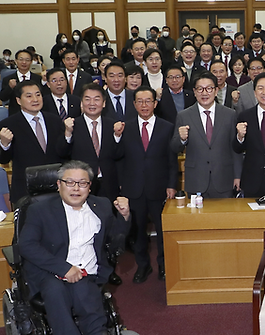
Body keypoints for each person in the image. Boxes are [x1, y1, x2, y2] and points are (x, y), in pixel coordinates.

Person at [18, 160, 131, 335]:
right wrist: (64, 269)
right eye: (69, 182)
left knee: (88, 301)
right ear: (58, 185)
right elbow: (26, 245)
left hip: (87, 272)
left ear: (90, 186)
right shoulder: (39, 210)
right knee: (56, 293)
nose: (76, 188)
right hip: (50, 272)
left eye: (82, 183)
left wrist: (124, 217)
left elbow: (115, 241)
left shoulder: (101, 206)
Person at [120, 86, 177, 283]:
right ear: (134, 104)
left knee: (162, 231)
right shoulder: (125, 128)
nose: (144, 105)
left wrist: (172, 185)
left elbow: (172, 160)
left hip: (159, 188)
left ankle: (163, 265)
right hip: (133, 189)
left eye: (148, 101)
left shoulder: (167, 127)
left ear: (155, 103)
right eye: (140, 101)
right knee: (138, 231)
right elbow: (120, 159)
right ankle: (143, 266)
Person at [172, 72, 242, 198]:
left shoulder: (229, 114)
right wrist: (182, 139)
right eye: (200, 89)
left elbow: (235, 148)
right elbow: (174, 147)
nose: (204, 93)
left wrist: (237, 176)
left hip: (224, 179)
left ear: (216, 91)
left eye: (209, 88)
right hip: (196, 180)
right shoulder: (184, 115)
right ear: (194, 91)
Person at [0, 81, 64, 204]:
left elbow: (62, 152)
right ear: (18, 101)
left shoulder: (55, 120)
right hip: (25, 191)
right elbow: (4, 160)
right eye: (29, 96)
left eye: (38, 95)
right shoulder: (8, 125)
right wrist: (4, 144)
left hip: (56, 189)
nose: (35, 99)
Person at [0, 50, 43, 116]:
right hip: (15, 114)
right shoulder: (8, 79)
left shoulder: (37, 78)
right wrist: (9, 87)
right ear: (16, 61)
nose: (24, 62)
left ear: (31, 62)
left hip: (34, 113)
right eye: (21, 59)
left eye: (27, 60)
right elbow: (3, 98)